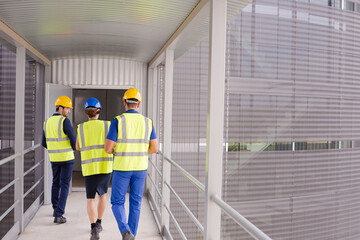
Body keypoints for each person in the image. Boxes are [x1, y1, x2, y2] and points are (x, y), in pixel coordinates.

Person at [105, 88, 158, 240]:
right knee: (136, 203)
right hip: (140, 167)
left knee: (117, 202)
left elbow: (108, 148)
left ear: (124, 102)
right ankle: (131, 234)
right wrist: (140, 150)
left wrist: (119, 150)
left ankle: (125, 231)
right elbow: (154, 148)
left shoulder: (118, 121)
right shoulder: (148, 122)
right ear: (139, 103)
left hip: (122, 167)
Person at [76, 98, 113, 240]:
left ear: (86, 113)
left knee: (90, 198)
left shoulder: (81, 127)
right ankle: (99, 222)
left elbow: (78, 147)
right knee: (102, 196)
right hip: (105, 166)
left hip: (89, 167)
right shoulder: (107, 125)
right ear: (99, 111)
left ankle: (93, 229)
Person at [42, 96, 76, 224]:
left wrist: (54, 147)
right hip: (67, 158)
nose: (69, 111)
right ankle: (59, 214)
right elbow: (73, 139)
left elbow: (44, 143)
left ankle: (55, 207)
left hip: (54, 158)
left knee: (55, 182)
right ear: (60, 108)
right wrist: (73, 148)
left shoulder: (47, 122)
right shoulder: (64, 121)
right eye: (67, 108)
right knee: (65, 185)